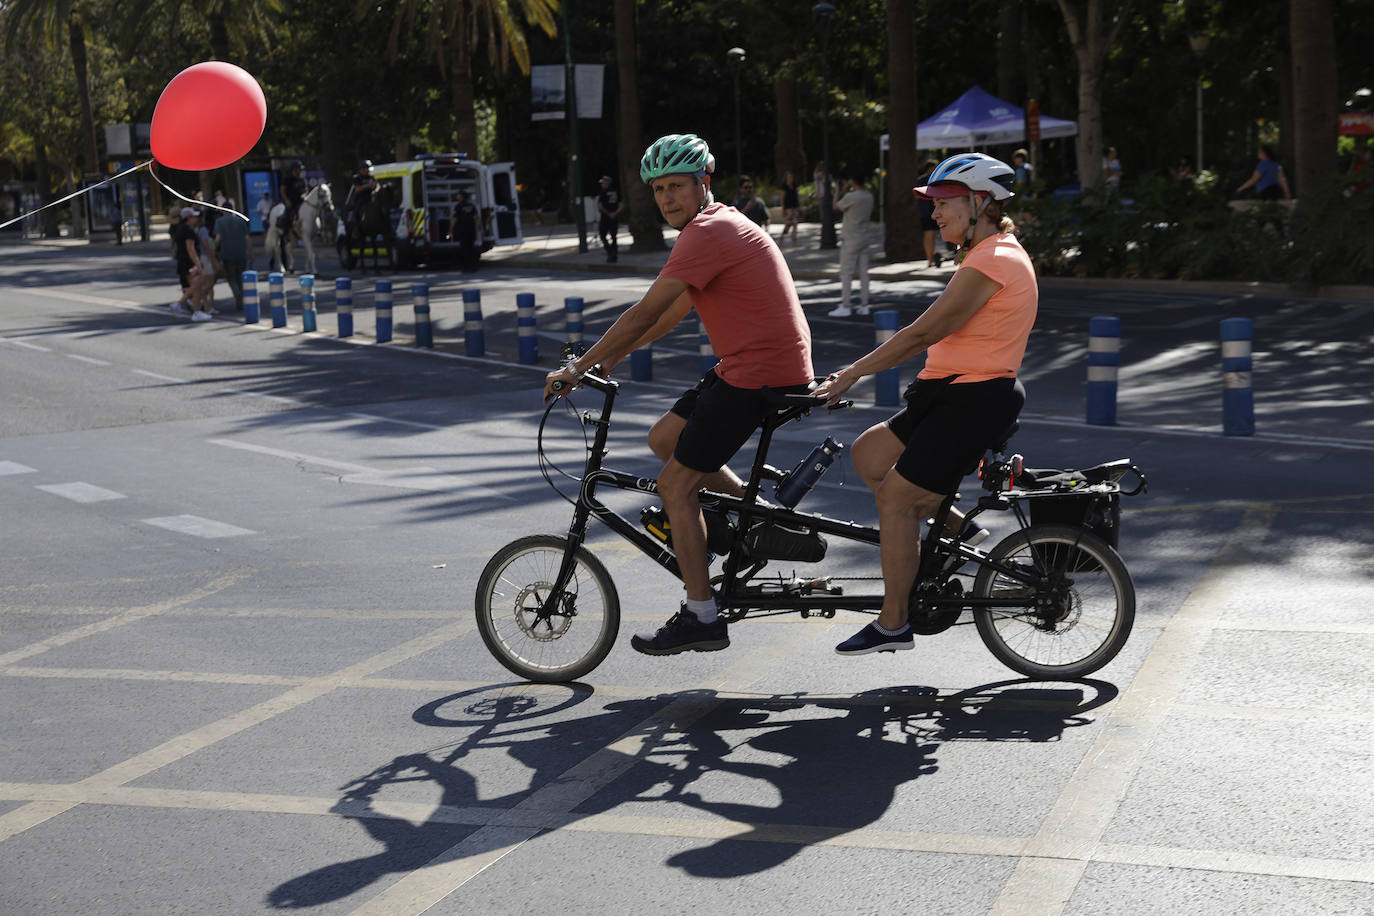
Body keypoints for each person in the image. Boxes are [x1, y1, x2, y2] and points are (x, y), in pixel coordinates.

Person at [543, 133, 814, 656]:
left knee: (675, 487)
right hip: (753, 364)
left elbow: (644, 311)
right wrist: (613, 354)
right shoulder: (715, 227)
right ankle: (760, 521)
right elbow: (669, 313)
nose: (667, 198)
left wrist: (580, 367)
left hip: (758, 371)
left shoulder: (707, 232)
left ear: (703, 183)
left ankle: (701, 614)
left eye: (677, 186)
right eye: (658, 189)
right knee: (665, 436)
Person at [814, 152, 1037, 656]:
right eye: (933, 205)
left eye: (944, 203)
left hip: (972, 397)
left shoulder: (995, 258)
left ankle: (892, 625)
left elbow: (925, 331)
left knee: (898, 500)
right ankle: (962, 531)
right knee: (870, 455)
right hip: (945, 390)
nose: (934, 214)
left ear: (980, 202)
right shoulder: (984, 253)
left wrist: (852, 373)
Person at [828, 173, 875, 317]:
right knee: (864, 272)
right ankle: (865, 305)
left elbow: (835, 206)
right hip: (864, 236)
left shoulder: (851, 197)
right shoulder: (869, 196)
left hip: (850, 238)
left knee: (846, 273)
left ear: (853, 182)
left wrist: (837, 191)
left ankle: (846, 305)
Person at [171, 208, 214, 322]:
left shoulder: (180, 229)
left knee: (197, 287)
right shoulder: (188, 231)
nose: (195, 219)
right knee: (197, 284)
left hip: (183, 261)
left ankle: (196, 311)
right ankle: (179, 303)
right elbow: (191, 249)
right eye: (193, 217)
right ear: (188, 218)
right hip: (189, 262)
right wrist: (198, 265)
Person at [214, 210, 253, 311]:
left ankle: (237, 293)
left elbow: (218, 238)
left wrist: (213, 250)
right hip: (241, 254)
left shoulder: (219, 222)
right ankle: (240, 294)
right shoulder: (241, 221)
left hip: (227, 254)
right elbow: (247, 238)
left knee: (231, 277)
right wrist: (250, 253)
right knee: (240, 276)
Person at [916, 158, 943, 269]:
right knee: (929, 236)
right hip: (926, 212)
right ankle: (929, 259)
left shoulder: (935, 180)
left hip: (931, 211)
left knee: (933, 236)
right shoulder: (923, 180)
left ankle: (931, 258)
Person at [596, 175, 623, 263]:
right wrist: (615, 213)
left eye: (603, 183)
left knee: (602, 235)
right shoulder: (616, 192)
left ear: (606, 184)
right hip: (614, 217)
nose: (602, 184)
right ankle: (614, 254)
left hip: (605, 217)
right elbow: (621, 204)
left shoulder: (603, 192)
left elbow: (600, 206)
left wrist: (608, 213)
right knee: (614, 236)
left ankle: (610, 252)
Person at [453, 188, 480, 272]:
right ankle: (474, 267)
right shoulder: (471, 205)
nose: (456, 196)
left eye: (458, 195)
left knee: (464, 249)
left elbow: (455, 219)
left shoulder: (458, 206)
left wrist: (450, 230)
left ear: (461, 196)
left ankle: (466, 267)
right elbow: (476, 217)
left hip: (463, 230)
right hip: (471, 229)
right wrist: (480, 227)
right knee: (471, 248)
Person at [265, 198, 293, 273]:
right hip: (280, 231)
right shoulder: (283, 210)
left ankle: (279, 263)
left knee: (278, 247)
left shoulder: (273, 210)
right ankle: (283, 264)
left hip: (276, 230)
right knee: (282, 247)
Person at [778, 170, 801, 246]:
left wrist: (799, 207)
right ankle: (781, 238)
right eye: (789, 177)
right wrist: (783, 209)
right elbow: (782, 198)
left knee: (795, 224)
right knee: (788, 224)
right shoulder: (784, 186)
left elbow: (797, 196)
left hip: (795, 207)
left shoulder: (794, 185)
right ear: (786, 178)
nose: (790, 178)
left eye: (791, 177)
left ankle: (794, 241)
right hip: (788, 208)